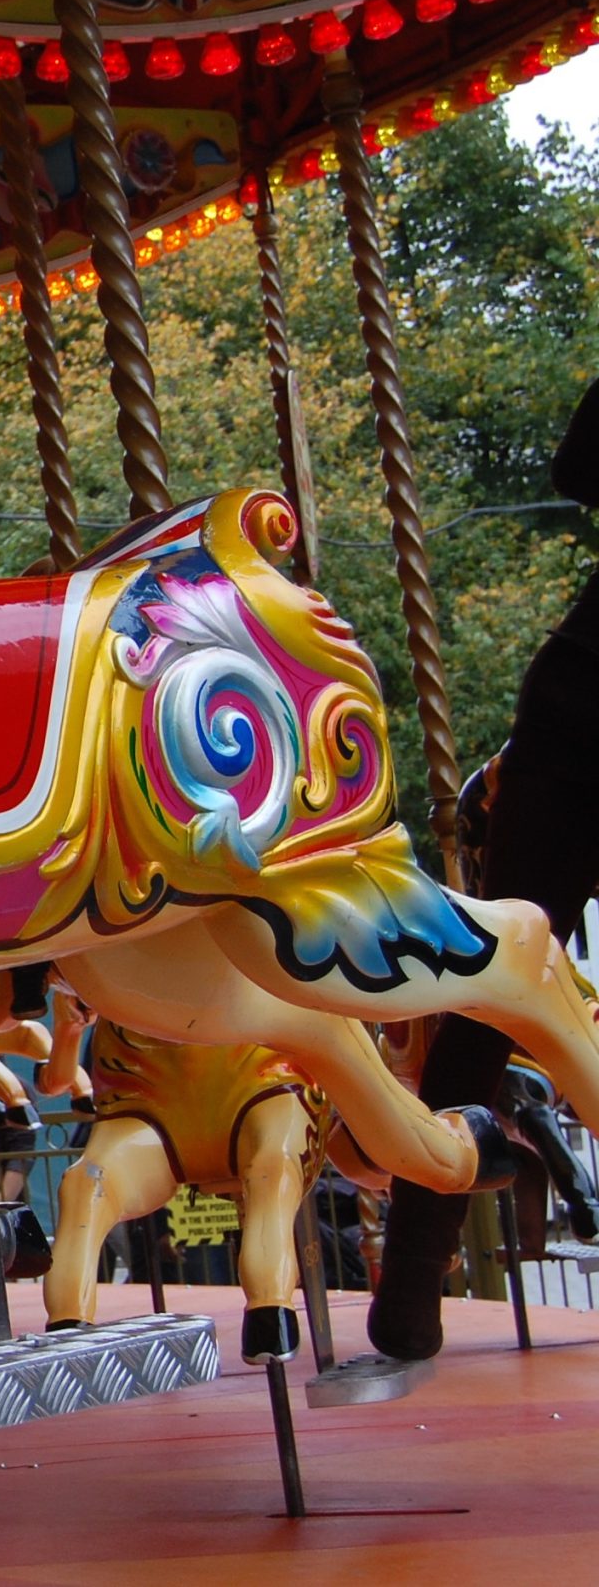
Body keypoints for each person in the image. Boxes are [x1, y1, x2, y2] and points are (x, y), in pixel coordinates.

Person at [369, 376, 599, 1360]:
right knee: (488, 982)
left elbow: (576, 466)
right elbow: (577, 467)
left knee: (487, 988)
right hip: (578, 713)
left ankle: (415, 1265)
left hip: (576, 702)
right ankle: (416, 1260)